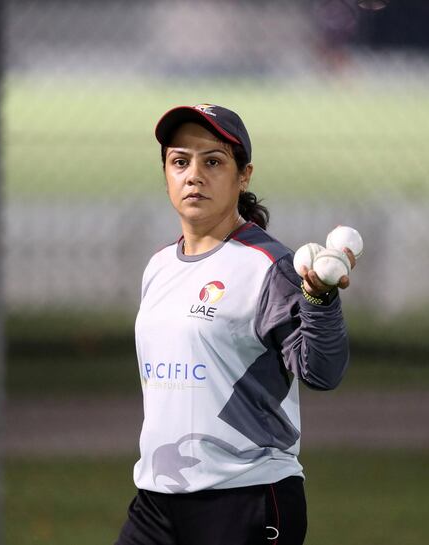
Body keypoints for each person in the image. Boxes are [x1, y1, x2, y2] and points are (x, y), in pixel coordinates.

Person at [115, 104, 355, 545]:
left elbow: (323, 371)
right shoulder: (159, 267)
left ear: (243, 175)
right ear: (166, 172)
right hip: (157, 497)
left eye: (213, 161)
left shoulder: (267, 265)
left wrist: (320, 297)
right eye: (180, 161)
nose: (194, 175)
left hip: (245, 497)